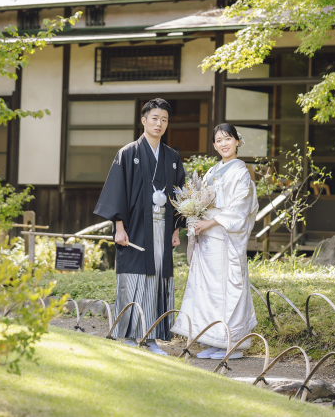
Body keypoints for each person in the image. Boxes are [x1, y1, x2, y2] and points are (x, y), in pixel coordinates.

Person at [94, 98, 186, 355]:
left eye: (164, 119)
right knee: (135, 277)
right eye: (154, 118)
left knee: (158, 278)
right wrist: (119, 227)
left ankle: (154, 338)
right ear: (143, 120)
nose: (159, 123)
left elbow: (181, 196)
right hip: (135, 227)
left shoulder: (173, 157)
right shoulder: (128, 153)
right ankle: (134, 336)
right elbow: (117, 192)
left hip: (163, 226)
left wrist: (176, 230)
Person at [171, 123, 258, 360]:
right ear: (214, 145)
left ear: (237, 142)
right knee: (208, 290)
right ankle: (215, 340)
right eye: (218, 140)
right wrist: (195, 216)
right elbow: (202, 200)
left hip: (224, 238)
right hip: (208, 240)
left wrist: (209, 222)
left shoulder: (241, 172)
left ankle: (233, 343)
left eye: (228, 139)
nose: (223, 144)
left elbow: (239, 209)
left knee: (227, 289)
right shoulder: (212, 171)